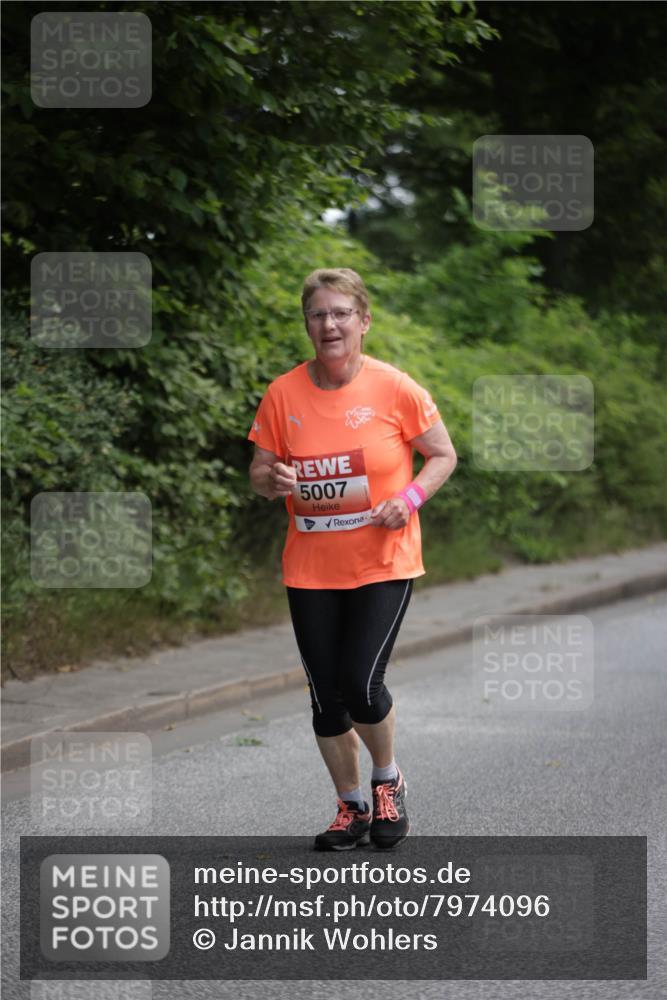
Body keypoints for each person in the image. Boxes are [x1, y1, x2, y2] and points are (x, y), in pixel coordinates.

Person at [248, 268, 456, 851]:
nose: (330, 324)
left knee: (361, 684)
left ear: (363, 321)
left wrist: (409, 497)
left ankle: (387, 781)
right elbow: (260, 477)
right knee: (325, 697)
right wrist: (274, 477)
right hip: (310, 568)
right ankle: (351, 808)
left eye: (341, 313)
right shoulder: (283, 393)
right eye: (318, 314)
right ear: (307, 324)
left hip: (382, 562)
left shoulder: (396, 388)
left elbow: (442, 455)